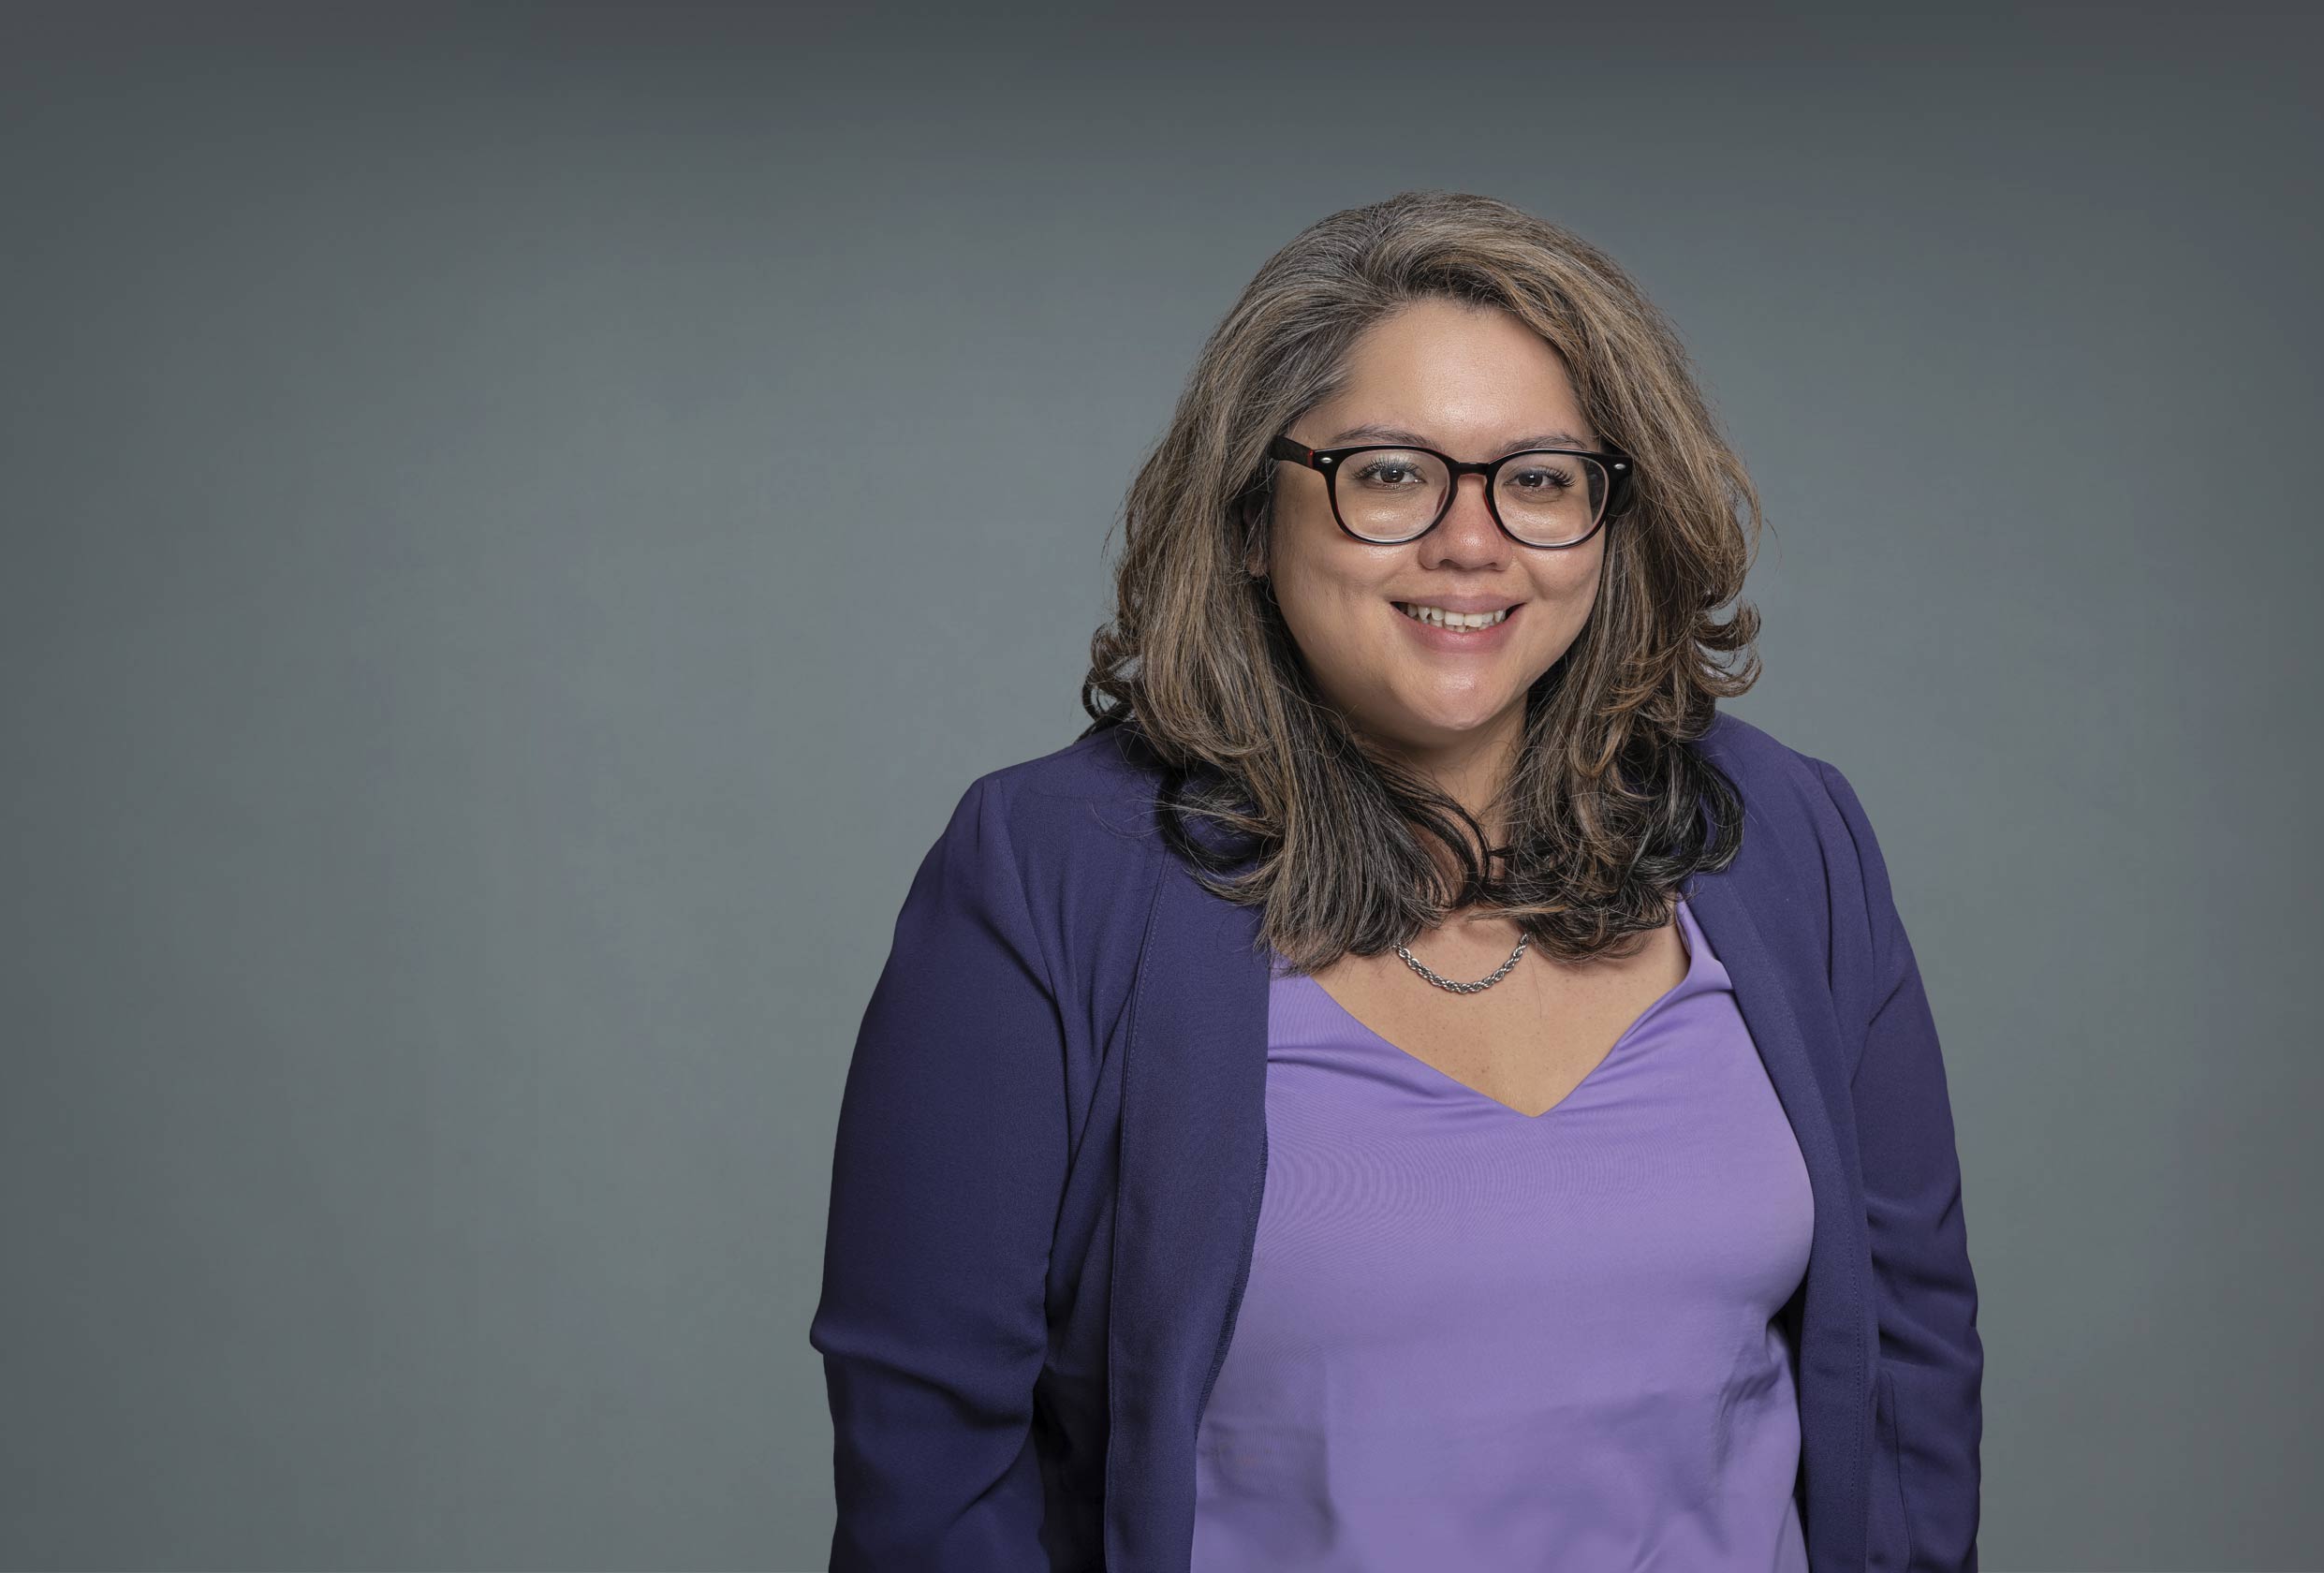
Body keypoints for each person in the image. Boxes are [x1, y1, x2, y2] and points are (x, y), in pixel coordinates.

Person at [808, 190, 1981, 1572]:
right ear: (1253, 516)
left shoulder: (1786, 835)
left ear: (1611, 520)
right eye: (1387, 473)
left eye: (1539, 478)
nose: (1470, 542)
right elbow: (932, 1467)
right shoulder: (1049, 872)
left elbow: (1910, 1375)